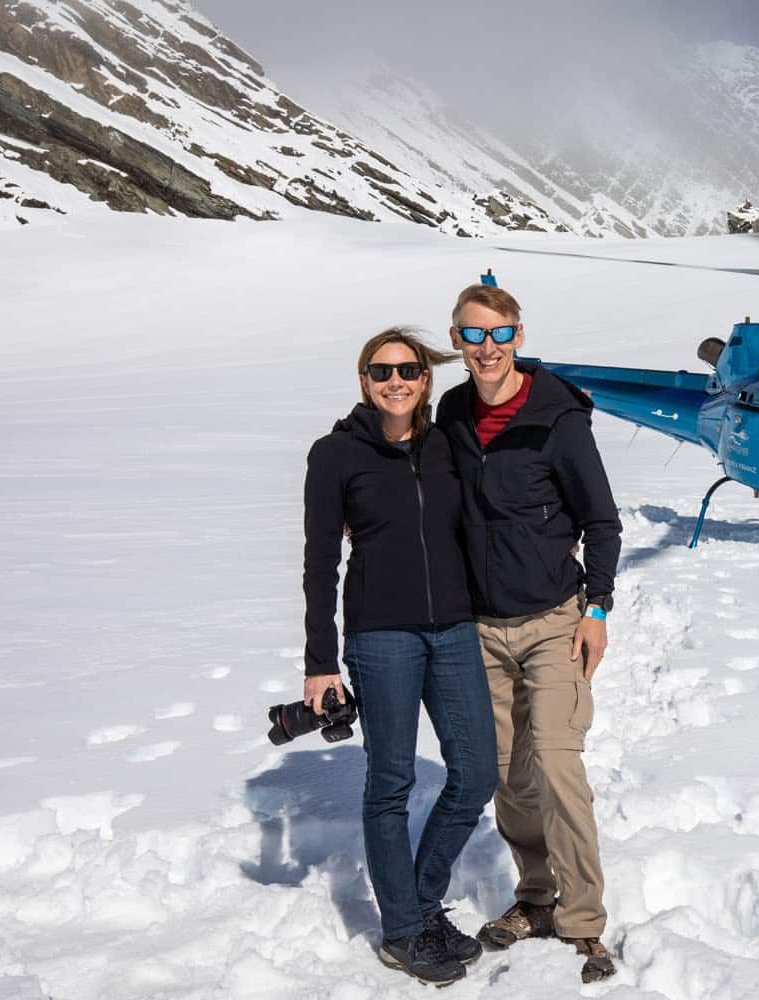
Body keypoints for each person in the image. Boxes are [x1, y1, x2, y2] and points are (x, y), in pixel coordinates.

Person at [435, 283, 623, 984]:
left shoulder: (558, 418)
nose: (487, 349)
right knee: (506, 773)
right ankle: (535, 897)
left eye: (499, 334)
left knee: (555, 759)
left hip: (552, 621)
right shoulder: (451, 412)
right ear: (455, 340)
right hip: (478, 627)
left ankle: (583, 922)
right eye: (472, 335)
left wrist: (596, 610)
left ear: (519, 335)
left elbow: (601, 522)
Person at [303, 327, 498, 986]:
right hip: (380, 636)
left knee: (476, 775)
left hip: (454, 631)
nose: (395, 381)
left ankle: (418, 901)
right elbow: (320, 562)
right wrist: (320, 662)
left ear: (425, 379)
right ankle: (403, 932)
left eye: (408, 370)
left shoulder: (447, 445)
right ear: (364, 381)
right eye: (381, 371)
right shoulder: (335, 455)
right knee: (390, 784)